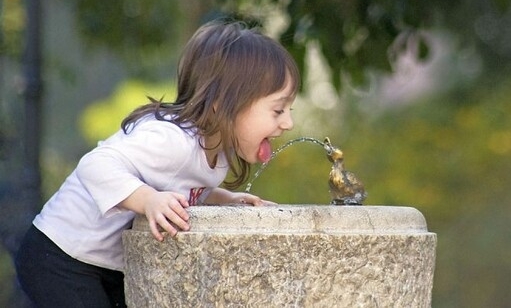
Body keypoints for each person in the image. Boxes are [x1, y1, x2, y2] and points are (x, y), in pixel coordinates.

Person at [14, 19, 300, 307]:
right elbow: (96, 165)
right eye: (277, 110)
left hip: (103, 265)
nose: (288, 123)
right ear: (222, 103)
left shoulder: (219, 153)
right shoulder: (171, 140)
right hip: (60, 255)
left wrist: (224, 198)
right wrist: (148, 200)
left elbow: (180, 185)